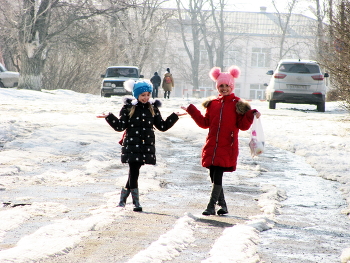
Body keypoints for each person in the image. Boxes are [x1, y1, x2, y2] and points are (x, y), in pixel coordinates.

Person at [181, 65, 261, 216]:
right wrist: (191, 110)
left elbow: (243, 126)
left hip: (227, 146)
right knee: (213, 176)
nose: (224, 88)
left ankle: (211, 206)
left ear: (232, 86)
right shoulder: (212, 104)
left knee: (217, 175)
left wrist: (251, 114)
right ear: (217, 87)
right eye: (221, 86)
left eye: (227, 85)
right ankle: (223, 205)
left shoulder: (238, 104)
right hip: (212, 145)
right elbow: (204, 123)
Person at [97, 79, 186, 212]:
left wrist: (174, 116)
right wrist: (109, 117)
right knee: (134, 171)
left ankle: (122, 200)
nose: (145, 98)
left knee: (134, 172)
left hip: (145, 146)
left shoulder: (153, 108)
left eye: (148, 95)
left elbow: (162, 126)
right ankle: (136, 202)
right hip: (132, 146)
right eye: (142, 95)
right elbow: (120, 126)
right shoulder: (128, 108)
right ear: (136, 95)